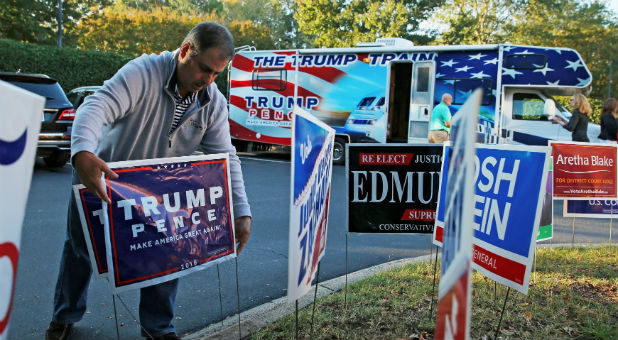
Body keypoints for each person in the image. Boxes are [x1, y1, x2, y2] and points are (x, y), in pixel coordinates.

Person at [45, 22, 252, 340]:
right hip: (102, 174)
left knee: (168, 250)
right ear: (185, 51)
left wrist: (241, 210)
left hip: (157, 189)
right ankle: (64, 317)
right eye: (204, 70)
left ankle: (158, 328)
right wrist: (82, 153)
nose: (208, 81)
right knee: (81, 250)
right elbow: (96, 105)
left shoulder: (212, 101)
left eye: (216, 74)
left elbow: (227, 157)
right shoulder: (143, 71)